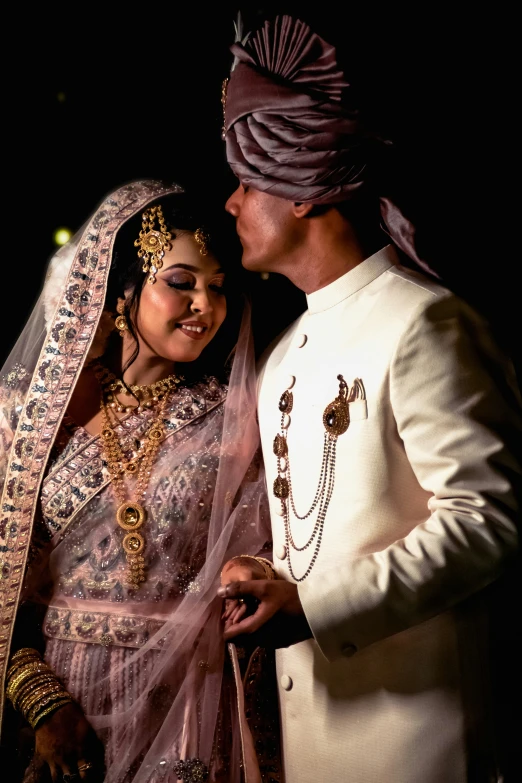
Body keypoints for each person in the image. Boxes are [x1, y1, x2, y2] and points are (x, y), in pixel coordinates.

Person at [218, 13, 522, 783]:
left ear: (302, 195)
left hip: (416, 731)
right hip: (310, 724)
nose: (230, 203)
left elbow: (485, 521)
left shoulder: (424, 320)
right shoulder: (284, 352)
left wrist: (315, 606)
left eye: (247, 181)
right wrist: (264, 575)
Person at [0, 178, 283, 783]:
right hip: (61, 695)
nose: (205, 305)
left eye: (218, 288)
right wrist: (42, 703)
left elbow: (261, 548)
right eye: (180, 283)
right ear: (120, 293)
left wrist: (253, 571)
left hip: (188, 701)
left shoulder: (228, 418)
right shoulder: (35, 415)